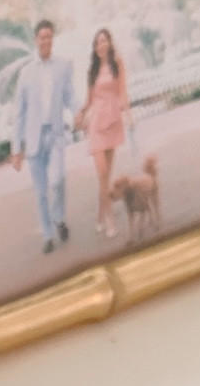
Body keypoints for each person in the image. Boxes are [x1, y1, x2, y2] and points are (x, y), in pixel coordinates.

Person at [10, 20, 75, 254]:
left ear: (52, 39)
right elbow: (19, 113)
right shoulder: (26, 73)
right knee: (40, 191)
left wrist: (78, 115)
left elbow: (69, 96)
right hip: (34, 140)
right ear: (36, 40)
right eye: (41, 37)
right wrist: (16, 149)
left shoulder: (62, 67)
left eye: (49, 36)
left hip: (55, 135)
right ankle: (48, 235)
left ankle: (58, 219)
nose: (45, 41)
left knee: (57, 181)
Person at [75, 26, 132, 236]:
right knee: (102, 174)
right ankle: (109, 221)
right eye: (98, 41)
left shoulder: (118, 64)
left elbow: (123, 92)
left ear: (109, 43)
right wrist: (81, 114)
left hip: (113, 121)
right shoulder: (92, 71)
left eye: (104, 40)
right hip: (96, 125)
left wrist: (129, 116)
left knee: (105, 177)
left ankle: (100, 214)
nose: (102, 44)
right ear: (95, 47)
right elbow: (88, 101)